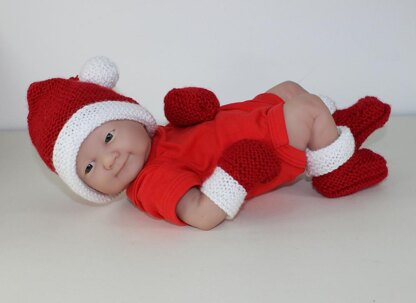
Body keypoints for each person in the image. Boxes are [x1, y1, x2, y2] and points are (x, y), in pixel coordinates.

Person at [27, 57, 390, 230]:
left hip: (247, 118)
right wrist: (236, 173)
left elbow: (197, 133)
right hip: (260, 147)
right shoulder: (151, 181)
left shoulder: (159, 139)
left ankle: (333, 130)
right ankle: (334, 168)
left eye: (107, 137)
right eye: (88, 167)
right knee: (306, 109)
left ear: (134, 116)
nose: (107, 161)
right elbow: (200, 214)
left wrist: (193, 111)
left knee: (290, 89)